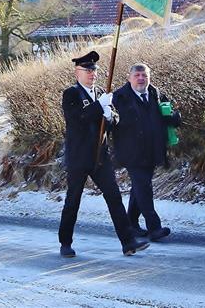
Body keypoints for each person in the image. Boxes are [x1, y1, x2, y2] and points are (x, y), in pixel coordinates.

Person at [58, 51, 149, 258]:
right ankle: (65, 242)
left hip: (100, 156)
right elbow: (76, 119)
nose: (92, 74)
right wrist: (99, 107)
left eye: (94, 70)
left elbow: (115, 119)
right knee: (73, 201)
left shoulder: (101, 92)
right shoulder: (71, 94)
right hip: (79, 157)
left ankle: (128, 242)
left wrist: (109, 115)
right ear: (77, 72)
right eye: (87, 70)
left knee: (114, 198)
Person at [112, 63, 181, 242]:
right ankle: (154, 227)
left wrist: (174, 119)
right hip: (131, 152)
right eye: (137, 75)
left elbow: (166, 115)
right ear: (129, 77)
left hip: (152, 150)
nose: (141, 79)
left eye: (145, 76)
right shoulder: (119, 97)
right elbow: (109, 123)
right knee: (144, 187)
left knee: (139, 187)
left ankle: (131, 223)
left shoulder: (155, 94)